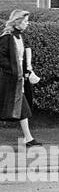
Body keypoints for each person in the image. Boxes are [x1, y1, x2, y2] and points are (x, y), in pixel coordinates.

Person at [1, 9, 41, 147]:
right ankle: (28, 138)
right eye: (25, 21)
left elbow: (21, 59)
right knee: (18, 107)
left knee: (23, 107)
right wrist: (12, 71)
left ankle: (28, 138)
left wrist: (27, 73)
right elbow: (1, 58)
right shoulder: (6, 37)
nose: (27, 23)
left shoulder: (20, 37)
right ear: (17, 22)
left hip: (19, 80)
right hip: (8, 80)